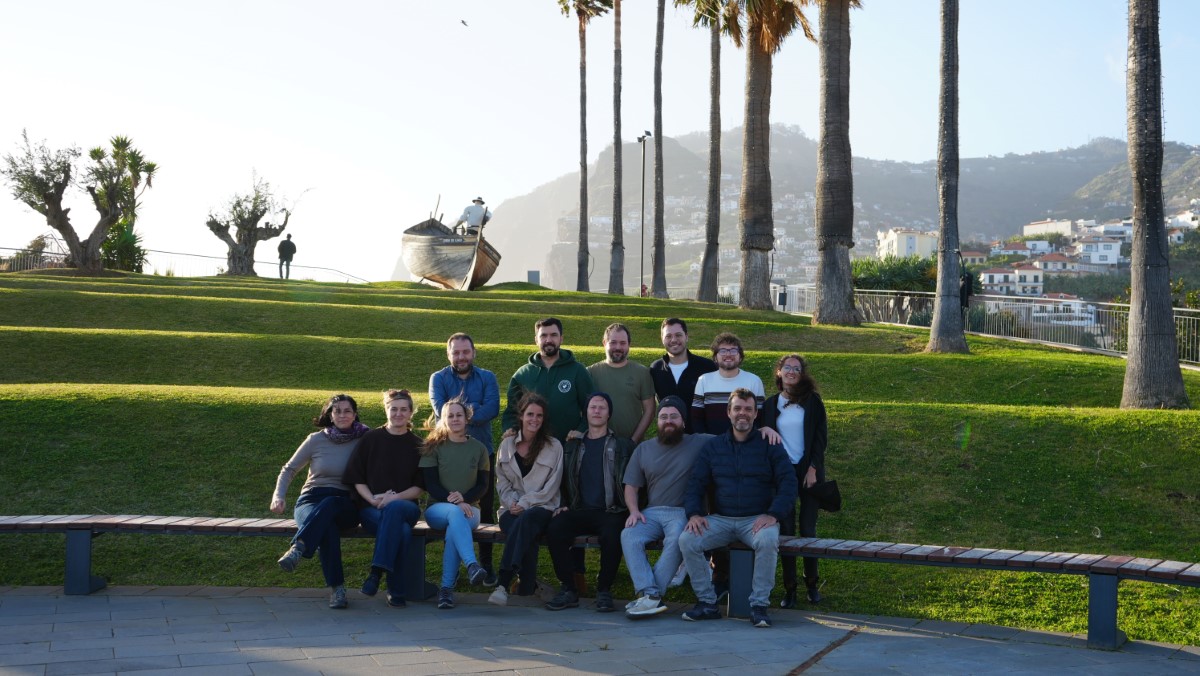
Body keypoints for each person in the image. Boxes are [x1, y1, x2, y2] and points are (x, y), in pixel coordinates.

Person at [678, 388, 796, 628]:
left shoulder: (770, 444)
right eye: (738, 408)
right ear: (729, 412)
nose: (743, 413)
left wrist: (773, 514)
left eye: (748, 409)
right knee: (688, 540)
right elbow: (695, 484)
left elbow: (789, 482)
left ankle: (759, 606)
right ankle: (707, 603)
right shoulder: (713, 446)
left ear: (755, 414)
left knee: (767, 541)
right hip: (721, 519)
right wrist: (694, 514)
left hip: (757, 519)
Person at [271, 393, 369, 610]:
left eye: (347, 411)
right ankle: (337, 590)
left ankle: (299, 546)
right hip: (311, 500)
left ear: (355, 414)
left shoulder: (365, 438)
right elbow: (289, 469)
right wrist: (278, 496)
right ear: (329, 415)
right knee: (327, 528)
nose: (342, 415)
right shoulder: (315, 440)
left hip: (345, 503)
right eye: (337, 411)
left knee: (331, 504)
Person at [544, 393, 633, 612]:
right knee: (555, 528)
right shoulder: (572, 446)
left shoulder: (623, 446)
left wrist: (632, 508)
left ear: (609, 414)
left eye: (602, 407)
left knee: (613, 534)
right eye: (593, 407)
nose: (597, 411)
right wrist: (563, 503)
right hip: (579, 509)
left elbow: (635, 480)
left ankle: (604, 590)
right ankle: (569, 588)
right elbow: (562, 478)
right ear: (585, 412)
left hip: (611, 510)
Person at [619, 396, 707, 617]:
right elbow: (631, 486)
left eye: (674, 416)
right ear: (657, 421)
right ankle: (652, 595)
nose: (668, 421)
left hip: (682, 512)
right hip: (651, 512)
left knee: (678, 537)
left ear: (683, 421)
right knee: (629, 535)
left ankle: (650, 597)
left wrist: (765, 429)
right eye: (663, 416)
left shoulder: (699, 442)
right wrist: (634, 511)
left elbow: (733, 436)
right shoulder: (644, 449)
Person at [429, 332, 501, 585]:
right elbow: (441, 411)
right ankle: (458, 564)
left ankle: (486, 564)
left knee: (485, 508)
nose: (461, 357)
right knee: (452, 506)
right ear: (448, 354)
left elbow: (492, 408)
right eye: (456, 352)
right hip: (447, 454)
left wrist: (458, 415)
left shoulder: (487, 377)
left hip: (481, 452)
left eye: (465, 352)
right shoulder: (438, 378)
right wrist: (470, 410)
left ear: (474, 352)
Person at [342, 389, 424, 608]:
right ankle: (395, 591)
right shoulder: (371, 439)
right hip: (372, 508)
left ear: (411, 413)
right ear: (386, 410)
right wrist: (371, 500)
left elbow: (418, 488)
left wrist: (394, 499)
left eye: (403, 409)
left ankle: (376, 572)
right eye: (393, 409)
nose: (398, 414)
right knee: (402, 531)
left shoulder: (418, 444)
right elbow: (356, 477)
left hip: (407, 507)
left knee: (395, 510)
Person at [759, 354, 828, 608]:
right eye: (787, 367)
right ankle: (789, 588)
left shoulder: (813, 401)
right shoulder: (770, 405)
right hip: (782, 473)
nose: (791, 372)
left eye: (796, 369)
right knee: (786, 530)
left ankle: (812, 583)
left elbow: (820, 438)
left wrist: (813, 468)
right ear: (779, 372)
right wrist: (763, 429)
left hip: (809, 471)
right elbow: (759, 433)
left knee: (808, 529)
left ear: (802, 374)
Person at [488, 393, 564, 606]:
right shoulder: (507, 445)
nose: (534, 419)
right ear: (521, 416)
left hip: (542, 507)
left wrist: (524, 503)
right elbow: (501, 482)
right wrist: (512, 502)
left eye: (539, 415)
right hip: (509, 509)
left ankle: (503, 582)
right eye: (530, 414)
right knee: (523, 529)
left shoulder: (554, 447)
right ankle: (528, 585)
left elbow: (551, 487)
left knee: (527, 520)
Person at [419, 398, 491, 609]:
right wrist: (455, 501)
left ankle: (446, 591)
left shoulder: (479, 448)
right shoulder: (433, 447)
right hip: (437, 509)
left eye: (459, 415)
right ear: (443, 419)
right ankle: (471, 564)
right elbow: (431, 484)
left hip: (471, 510)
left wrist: (465, 500)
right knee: (454, 514)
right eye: (449, 415)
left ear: (467, 418)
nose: (455, 419)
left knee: (454, 529)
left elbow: (483, 485)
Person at [503, 317, 594, 443]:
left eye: (554, 335)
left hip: (569, 445)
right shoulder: (522, 374)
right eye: (543, 335)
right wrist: (511, 429)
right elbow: (511, 412)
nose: (548, 340)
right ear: (536, 340)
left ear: (561, 338)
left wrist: (581, 430)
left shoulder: (577, 371)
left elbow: (591, 407)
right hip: (530, 447)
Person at [587, 323, 655, 442]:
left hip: (632, 446)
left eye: (623, 343)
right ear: (604, 343)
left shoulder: (642, 373)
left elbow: (649, 411)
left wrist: (633, 441)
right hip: (598, 445)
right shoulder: (590, 373)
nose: (618, 347)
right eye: (613, 342)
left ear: (629, 344)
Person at [649, 318, 717, 433]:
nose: (674, 340)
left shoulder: (707, 367)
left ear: (686, 336)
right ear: (662, 339)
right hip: (669, 436)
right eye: (668, 336)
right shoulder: (655, 369)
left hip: (700, 437)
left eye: (678, 335)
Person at [690, 332, 765, 435]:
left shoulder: (754, 381)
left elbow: (759, 418)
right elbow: (697, 418)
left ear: (740, 356)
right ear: (715, 357)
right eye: (723, 351)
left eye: (733, 350)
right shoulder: (704, 380)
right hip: (712, 442)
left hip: (745, 442)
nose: (728, 354)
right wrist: (707, 441)